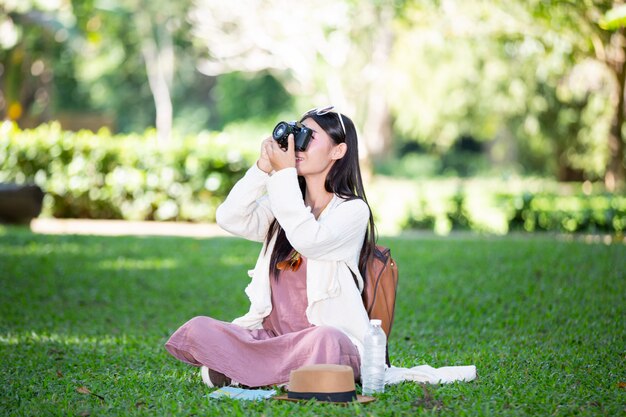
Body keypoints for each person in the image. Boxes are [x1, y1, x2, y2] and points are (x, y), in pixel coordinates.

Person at [165, 106, 377, 388]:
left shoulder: (352, 210)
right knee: (199, 328)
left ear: (338, 151)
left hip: (322, 339)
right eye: (298, 133)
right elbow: (229, 218)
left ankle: (246, 371)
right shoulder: (284, 205)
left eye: (309, 137)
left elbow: (308, 240)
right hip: (273, 338)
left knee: (327, 340)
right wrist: (261, 169)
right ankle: (271, 370)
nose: (297, 145)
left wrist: (285, 174)